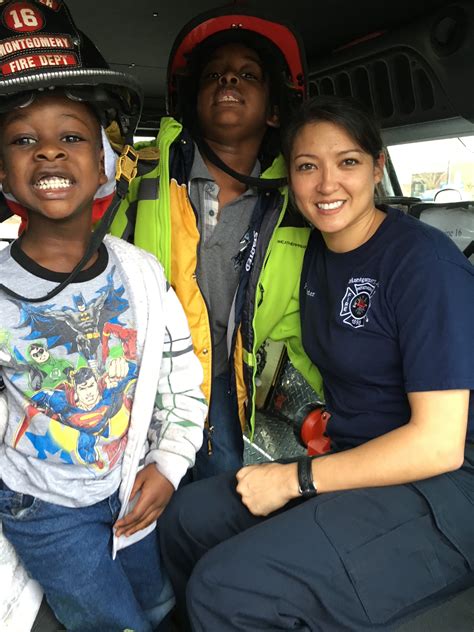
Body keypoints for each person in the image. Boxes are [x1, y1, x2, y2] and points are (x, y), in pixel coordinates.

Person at [158, 96, 474, 631]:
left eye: (348, 162)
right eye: (308, 166)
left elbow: (438, 443)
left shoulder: (424, 263)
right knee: (185, 518)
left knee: (226, 588)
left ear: (377, 167)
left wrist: (294, 480)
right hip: (355, 458)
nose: (327, 184)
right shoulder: (312, 253)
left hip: (444, 488)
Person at [0, 2, 207, 630]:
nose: (49, 154)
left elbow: (182, 384)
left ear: (104, 164)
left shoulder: (142, 276)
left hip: (126, 487)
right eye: (22, 140)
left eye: (71, 137)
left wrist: (168, 464)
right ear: (3, 170)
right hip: (42, 511)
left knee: (160, 604)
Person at [110, 7, 323, 479]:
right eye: (214, 74)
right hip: (138, 376)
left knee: (223, 485)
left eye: (247, 73)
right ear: (193, 102)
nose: (228, 79)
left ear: (272, 111)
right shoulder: (145, 178)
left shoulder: (298, 201)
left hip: (230, 381)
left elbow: (309, 317)